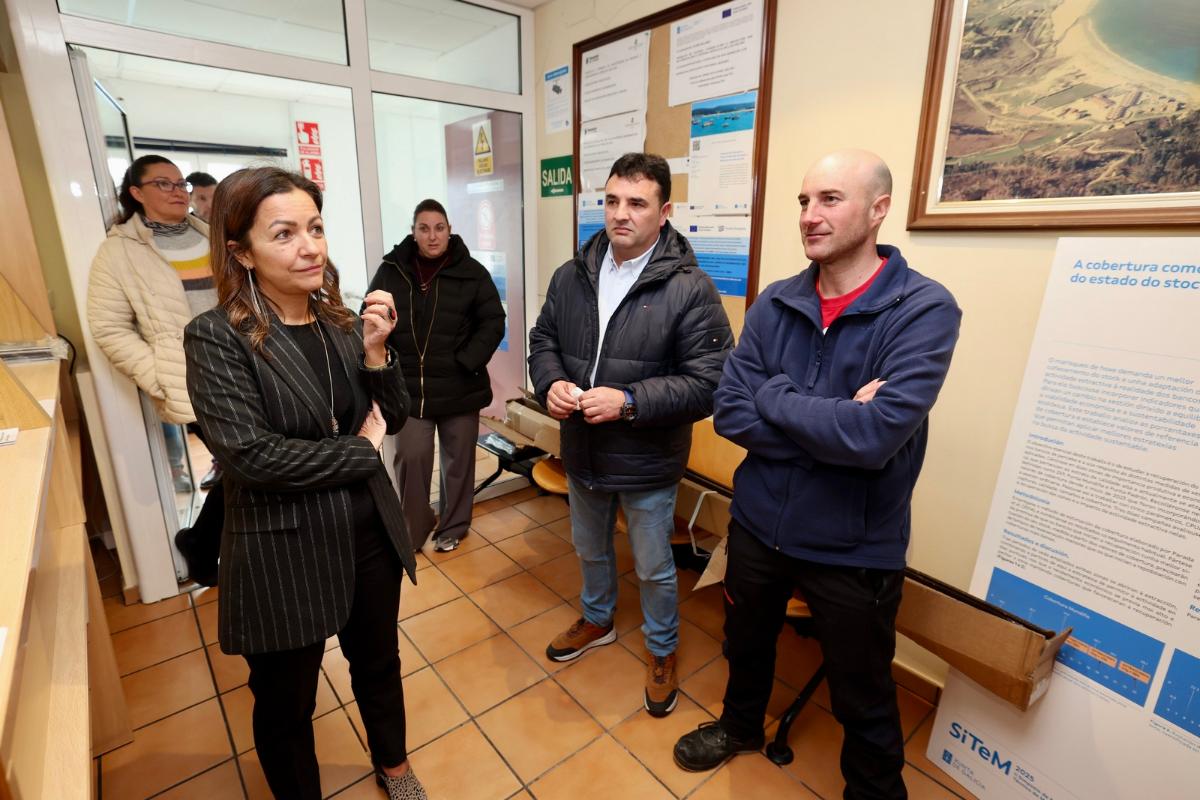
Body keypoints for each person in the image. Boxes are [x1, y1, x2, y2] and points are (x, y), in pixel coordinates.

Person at [672, 150, 962, 799]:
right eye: (804, 201)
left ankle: (874, 792)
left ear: (879, 209)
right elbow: (730, 411)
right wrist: (834, 421)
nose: (809, 215)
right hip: (758, 525)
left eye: (830, 199)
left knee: (862, 690)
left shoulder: (923, 309)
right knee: (744, 644)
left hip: (854, 545)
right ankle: (740, 726)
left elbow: (873, 438)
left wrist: (775, 395)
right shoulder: (776, 302)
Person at [183, 167, 426, 800]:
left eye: (314, 229)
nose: (309, 247)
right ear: (242, 252)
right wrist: (361, 451)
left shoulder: (340, 323)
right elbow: (253, 458)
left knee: (378, 663)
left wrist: (376, 353)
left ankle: (395, 767)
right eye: (284, 234)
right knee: (286, 698)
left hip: (368, 534)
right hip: (283, 547)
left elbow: (395, 415)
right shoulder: (217, 337)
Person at [528, 152, 733, 717]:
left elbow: (710, 382)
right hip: (583, 450)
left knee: (653, 567)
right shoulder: (572, 275)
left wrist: (630, 401)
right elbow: (543, 340)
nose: (621, 214)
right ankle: (598, 619)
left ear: (664, 213)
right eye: (612, 200)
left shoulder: (691, 289)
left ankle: (662, 649)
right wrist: (550, 383)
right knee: (590, 549)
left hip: (646, 459)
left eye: (637, 203)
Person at [86, 155, 223, 585]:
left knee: (249, 470)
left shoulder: (212, 236)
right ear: (136, 193)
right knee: (245, 469)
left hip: (250, 370)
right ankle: (202, 547)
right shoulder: (119, 252)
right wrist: (159, 374)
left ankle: (200, 543)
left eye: (181, 183)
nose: (178, 191)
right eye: (164, 184)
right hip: (195, 382)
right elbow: (109, 328)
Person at [368, 199, 504, 552]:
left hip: (461, 386)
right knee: (410, 457)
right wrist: (383, 359)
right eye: (424, 228)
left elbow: (493, 321)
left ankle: (453, 526)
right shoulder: (391, 270)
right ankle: (414, 527)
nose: (432, 236)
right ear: (413, 233)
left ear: (449, 230)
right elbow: (369, 317)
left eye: (439, 228)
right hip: (409, 389)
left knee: (458, 462)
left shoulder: (472, 272)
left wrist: (467, 360)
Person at [186, 170, 222, 490]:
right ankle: (219, 460)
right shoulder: (187, 238)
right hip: (189, 344)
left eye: (212, 196)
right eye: (201, 198)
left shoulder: (224, 233)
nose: (208, 204)